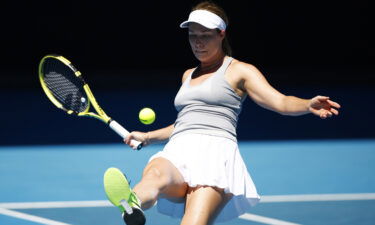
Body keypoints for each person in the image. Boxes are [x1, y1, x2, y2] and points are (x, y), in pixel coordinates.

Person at [103, 1, 341, 225]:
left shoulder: (239, 71)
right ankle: (132, 203)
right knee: (155, 174)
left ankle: (134, 201)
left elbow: (279, 102)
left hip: (215, 155)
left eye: (205, 36)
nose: (198, 43)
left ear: (221, 34)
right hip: (179, 148)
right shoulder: (188, 75)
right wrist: (147, 136)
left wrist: (307, 104)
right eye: (192, 36)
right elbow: (185, 123)